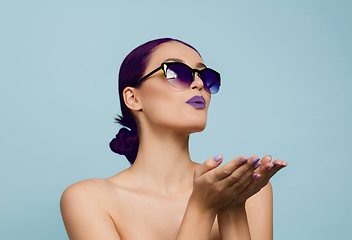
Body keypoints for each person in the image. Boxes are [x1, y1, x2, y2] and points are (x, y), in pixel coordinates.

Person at [60, 38, 287, 240]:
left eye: (205, 76)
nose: (199, 84)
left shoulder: (247, 191)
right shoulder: (88, 199)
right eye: (178, 73)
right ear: (133, 98)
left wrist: (232, 207)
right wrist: (202, 207)